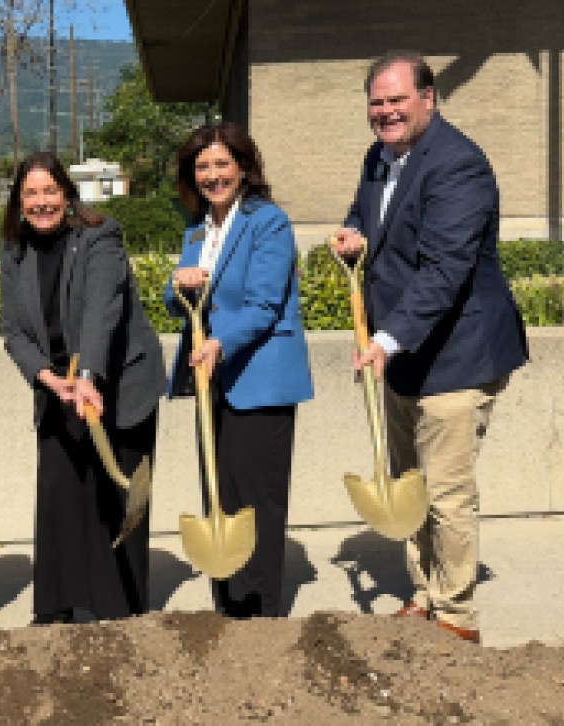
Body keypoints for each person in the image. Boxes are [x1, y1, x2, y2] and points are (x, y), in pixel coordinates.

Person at [331, 51, 528, 643]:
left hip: (457, 351)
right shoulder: (380, 158)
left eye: (397, 99)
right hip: (405, 352)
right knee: (409, 481)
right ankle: (425, 593)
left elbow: (446, 268)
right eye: (377, 102)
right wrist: (353, 234)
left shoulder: (458, 165)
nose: (386, 111)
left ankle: (458, 617)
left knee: (445, 493)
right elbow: (370, 219)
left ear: (429, 99)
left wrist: (387, 339)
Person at [0, 151, 166, 624]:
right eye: (30, 194)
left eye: (49, 191)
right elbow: (13, 331)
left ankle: (118, 613)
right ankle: (58, 609)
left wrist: (88, 374)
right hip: (59, 386)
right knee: (61, 497)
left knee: (114, 498)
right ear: (19, 201)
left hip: (117, 384)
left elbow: (103, 307)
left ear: (66, 194)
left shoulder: (100, 235)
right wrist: (50, 379)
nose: (41, 202)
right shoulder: (14, 249)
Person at [164, 121, 314, 619]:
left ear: (244, 167)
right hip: (214, 384)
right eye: (202, 166)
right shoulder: (198, 230)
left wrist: (220, 343)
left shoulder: (268, 222)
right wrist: (178, 282)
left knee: (257, 502)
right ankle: (228, 605)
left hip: (259, 381)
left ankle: (261, 613)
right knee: (220, 495)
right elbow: (177, 300)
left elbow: (266, 303)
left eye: (222, 164)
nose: (212, 175)